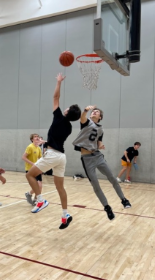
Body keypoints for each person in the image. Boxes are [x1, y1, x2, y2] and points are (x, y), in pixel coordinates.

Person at [25, 73, 81, 230]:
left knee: (29, 175)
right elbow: (57, 139)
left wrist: (59, 82)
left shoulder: (59, 118)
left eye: (68, 108)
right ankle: (65, 215)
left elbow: (55, 98)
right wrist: (47, 142)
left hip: (52, 155)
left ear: (67, 112)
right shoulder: (69, 127)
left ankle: (41, 199)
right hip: (61, 157)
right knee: (60, 187)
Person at [72, 105, 132, 221]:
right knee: (96, 185)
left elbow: (98, 141)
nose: (94, 112)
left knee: (112, 179)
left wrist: (100, 145)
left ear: (100, 117)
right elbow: (82, 117)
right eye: (93, 111)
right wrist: (85, 110)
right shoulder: (86, 122)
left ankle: (124, 200)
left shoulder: (100, 129)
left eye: (97, 111)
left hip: (98, 156)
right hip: (87, 159)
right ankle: (107, 207)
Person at [22, 134, 43, 205]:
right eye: (35, 136)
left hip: (37, 169)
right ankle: (29, 194)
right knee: (37, 185)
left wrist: (42, 167)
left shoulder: (39, 148)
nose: (37, 137)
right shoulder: (30, 147)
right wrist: (33, 164)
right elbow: (24, 157)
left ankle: (35, 199)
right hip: (30, 169)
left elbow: (40, 158)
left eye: (38, 136)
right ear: (32, 139)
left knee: (40, 186)